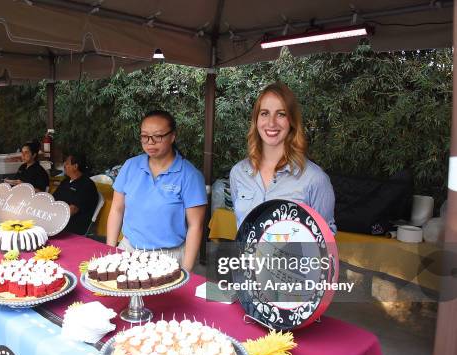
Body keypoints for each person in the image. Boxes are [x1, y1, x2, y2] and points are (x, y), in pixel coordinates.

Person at [106, 110, 207, 272]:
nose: (150, 142)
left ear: (172, 136)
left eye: (158, 136)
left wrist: (187, 271)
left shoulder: (189, 175)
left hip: (169, 257)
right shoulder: (130, 166)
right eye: (144, 136)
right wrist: (110, 250)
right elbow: (117, 209)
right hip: (129, 251)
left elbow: (196, 226)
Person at [229, 82, 336, 231]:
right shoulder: (238, 173)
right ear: (256, 120)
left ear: (292, 121)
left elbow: (326, 242)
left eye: (281, 114)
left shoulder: (315, 179)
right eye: (265, 113)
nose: (271, 123)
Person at [52, 153, 99, 235]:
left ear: (75, 166)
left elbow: (72, 210)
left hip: (73, 226)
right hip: (57, 219)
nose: (64, 165)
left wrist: (53, 217)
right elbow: (53, 199)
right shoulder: (65, 181)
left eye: (67, 163)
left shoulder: (87, 185)